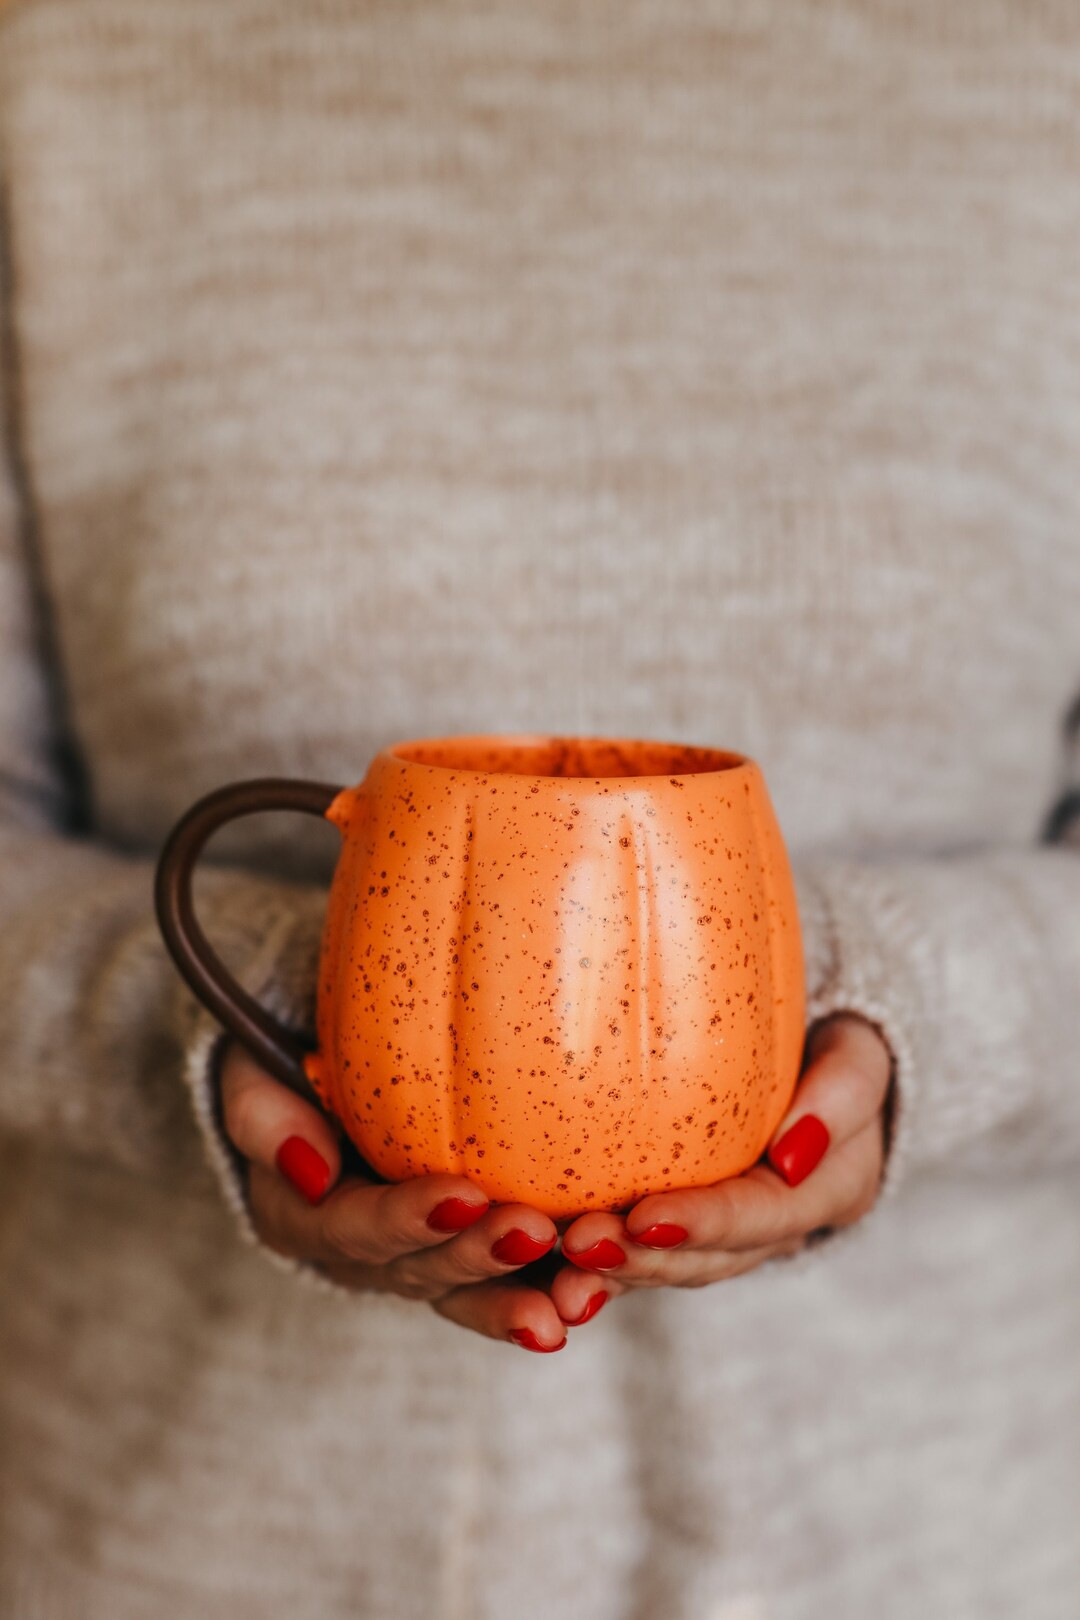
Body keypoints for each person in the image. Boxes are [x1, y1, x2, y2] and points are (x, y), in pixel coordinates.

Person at [1, 3, 1077, 1616]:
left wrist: (877, 996)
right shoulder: (63, 72)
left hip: (942, 1545)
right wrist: (273, 1006)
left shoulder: (1042, 74)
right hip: (178, 1544)